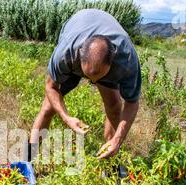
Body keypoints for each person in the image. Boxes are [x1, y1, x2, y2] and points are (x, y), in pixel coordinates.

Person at [27, 8, 141, 161]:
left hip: (106, 57)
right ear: (79, 54)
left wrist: (118, 140)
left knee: (114, 107)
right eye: (89, 77)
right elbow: (51, 86)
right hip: (76, 31)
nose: (92, 83)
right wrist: (66, 118)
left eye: (98, 77)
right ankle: (28, 157)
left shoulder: (126, 59)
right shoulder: (66, 51)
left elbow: (132, 103)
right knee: (48, 107)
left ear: (112, 61)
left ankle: (111, 156)